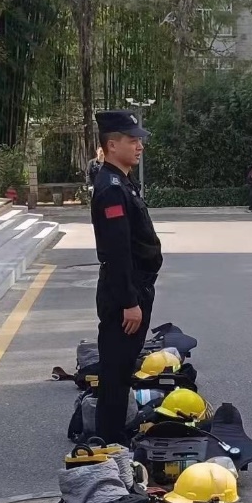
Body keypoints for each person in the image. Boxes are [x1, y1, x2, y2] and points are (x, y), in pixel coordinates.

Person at [90, 110, 162, 446]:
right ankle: (110, 442)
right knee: (115, 371)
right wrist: (130, 302)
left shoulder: (122, 182)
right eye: (132, 140)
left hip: (134, 286)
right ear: (111, 145)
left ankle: (114, 435)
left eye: (139, 140)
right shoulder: (111, 188)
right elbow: (117, 251)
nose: (139, 146)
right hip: (125, 292)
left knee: (121, 367)